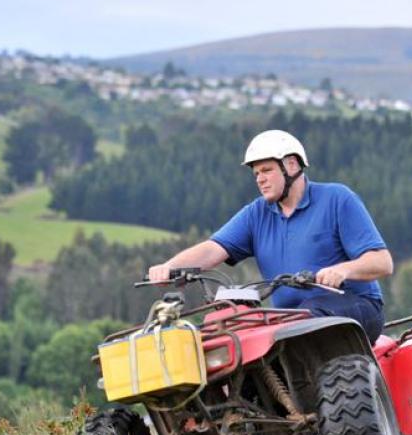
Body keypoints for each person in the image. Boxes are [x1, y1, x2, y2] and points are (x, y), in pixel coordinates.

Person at [148, 129, 393, 343]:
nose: (260, 179)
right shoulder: (257, 214)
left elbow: (382, 262)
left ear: (292, 166)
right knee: (229, 330)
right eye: (256, 174)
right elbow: (213, 249)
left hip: (356, 308)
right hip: (291, 320)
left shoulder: (337, 199)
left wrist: (343, 271)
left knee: (304, 320)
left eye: (266, 170)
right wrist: (169, 267)